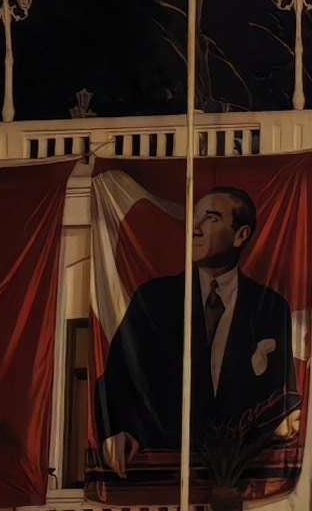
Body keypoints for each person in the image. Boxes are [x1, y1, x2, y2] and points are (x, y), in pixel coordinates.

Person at [98, 183, 299, 480]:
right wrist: (117, 429)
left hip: (241, 475)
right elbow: (117, 375)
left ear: (241, 235)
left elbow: (281, 392)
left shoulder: (270, 308)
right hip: (162, 471)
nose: (195, 228)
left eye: (211, 218)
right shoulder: (153, 300)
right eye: (194, 217)